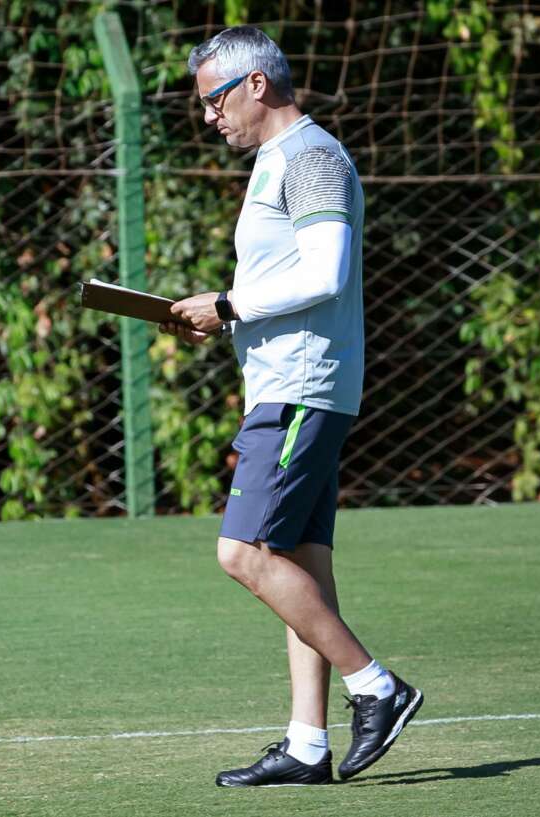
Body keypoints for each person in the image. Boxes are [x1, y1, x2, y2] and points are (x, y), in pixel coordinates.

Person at [161, 26, 423, 787]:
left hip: (301, 387)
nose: (209, 116)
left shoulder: (310, 157)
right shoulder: (278, 161)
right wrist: (220, 313)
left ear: (254, 85)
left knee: (241, 553)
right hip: (288, 382)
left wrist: (227, 303)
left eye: (213, 99)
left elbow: (326, 274)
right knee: (302, 566)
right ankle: (308, 743)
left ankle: (377, 687)